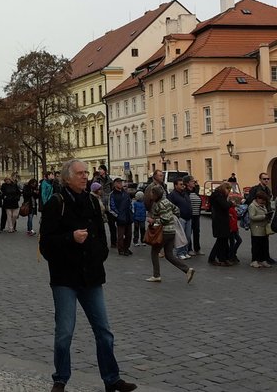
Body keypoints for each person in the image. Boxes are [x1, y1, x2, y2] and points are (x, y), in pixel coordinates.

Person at [39, 159, 137, 392]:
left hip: (91, 277)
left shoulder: (93, 202)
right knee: (64, 332)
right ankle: (60, 379)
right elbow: (46, 245)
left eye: (86, 173)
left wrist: (98, 255)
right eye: (80, 173)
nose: (85, 177)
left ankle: (111, 379)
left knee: (104, 331)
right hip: (65, 278)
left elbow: (101, 238)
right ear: (67, 178)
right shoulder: (56, 203)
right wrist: (70, 238)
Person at [144, 185, 195, 284]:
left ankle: (156, 275)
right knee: (169, 255)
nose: (150, 195)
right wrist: (174, 218)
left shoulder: (160, 204)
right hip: (171, 231)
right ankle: (187, 270)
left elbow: (165, 219)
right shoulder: (167, 201)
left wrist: (153, 220)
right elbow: (176, 210)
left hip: (164, 232)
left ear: (155, 194)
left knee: (154, 252)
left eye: (151, 193)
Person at [208, 182, 232, 266]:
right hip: (219, 221)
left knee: (223, 240)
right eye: (228, 189)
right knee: (220, 240)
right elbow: (225, 205)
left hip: (222, 220)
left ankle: (223, 258)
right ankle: (214, 258)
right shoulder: (218, 196)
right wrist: (231, 203)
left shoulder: (219, 195)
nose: (229, 191)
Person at [167, 178, 192, 260]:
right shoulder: (172, 195)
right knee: (180, 236)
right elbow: (170, 206)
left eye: (183, 184)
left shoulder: (185, 194)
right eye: (180, 184)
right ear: (175, 185)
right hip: (180, 218)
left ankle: (185, 251)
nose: (182, 186)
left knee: (187, 236)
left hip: (188, 218)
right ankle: (179, 253)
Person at [248, 190, 272, 268]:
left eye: (264, 200)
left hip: (263, 228)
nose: (263, 201)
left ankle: (263, 260)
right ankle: (254, 260)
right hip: (256, 229)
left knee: (263, 245)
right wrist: (264, 216)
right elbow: (252, 217)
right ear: (257, 198)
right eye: (261, 199)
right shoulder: (252, 206)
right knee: (256, 245)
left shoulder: (263, 205)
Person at [109, 178, 132, 256]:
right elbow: (111, 207)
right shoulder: (112, 194)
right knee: (120, 236)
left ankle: (127, 248)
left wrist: (131, 212)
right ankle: (121, 249)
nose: (120, 184)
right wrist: (117, 215)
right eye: (118, 182)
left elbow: (130, 203)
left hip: (128, 216)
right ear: (115, 184)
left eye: (121, 182)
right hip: (120, 217)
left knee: (129, 235)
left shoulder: (125, 193)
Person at [186, 176, 202, 255]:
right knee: (189, 233)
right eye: (192, 181)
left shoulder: (195, 191)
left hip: (196, 215)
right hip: (189, 215)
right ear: (187, 183)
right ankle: (189, 249)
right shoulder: (185, 192)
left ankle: (197, 249)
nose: (194, 182)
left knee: (197, 232)